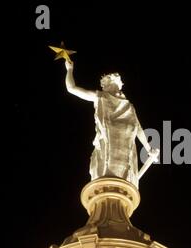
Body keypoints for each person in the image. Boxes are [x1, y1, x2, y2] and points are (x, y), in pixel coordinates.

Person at [64, 60, 159, 188]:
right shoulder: (101, 97)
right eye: (109, 82)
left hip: (126, 152)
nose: (111, 85)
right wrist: (69, 70)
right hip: (107, 149)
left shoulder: (129, 107)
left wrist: (149, 149)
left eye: (114, 82)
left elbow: (138, 129)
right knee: (107, 183)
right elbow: (72, 88)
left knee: (122, 186)